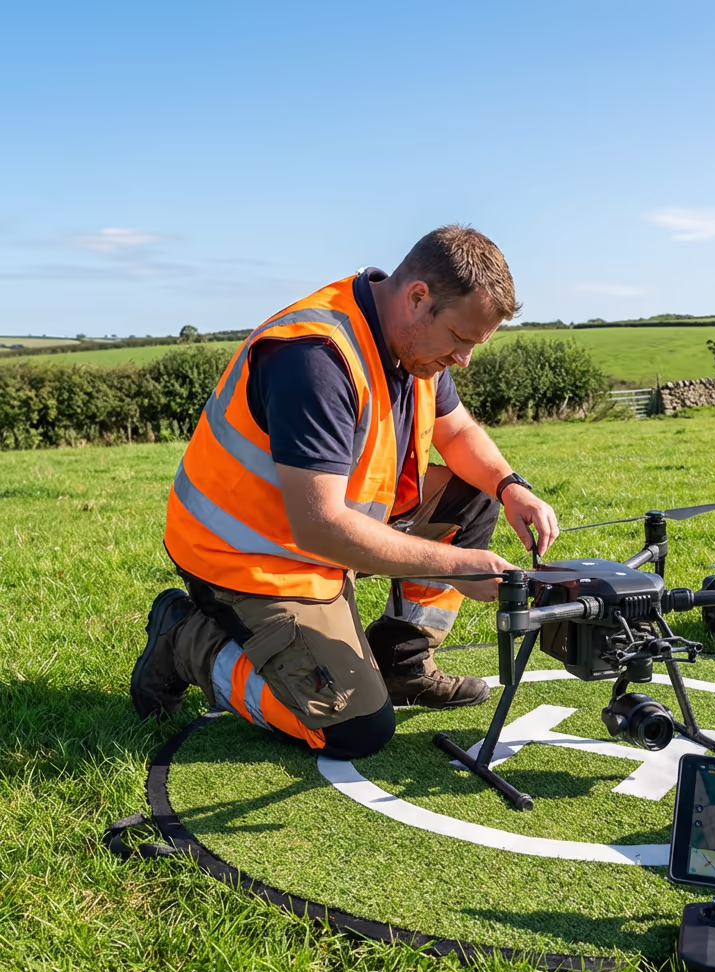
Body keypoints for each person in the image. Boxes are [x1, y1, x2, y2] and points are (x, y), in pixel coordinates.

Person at [130, 225, 559, 761]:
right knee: (354, 730)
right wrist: (455, 566)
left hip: (319, 537)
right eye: (460, 339)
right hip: (250, 560)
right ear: (418, 297)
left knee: (475, 491)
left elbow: (458, 432)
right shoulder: (315, 357)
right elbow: (321, 525)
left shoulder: (414, 345)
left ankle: (402, 663)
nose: (464, 359)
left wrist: (510, 486)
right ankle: (185, 640)